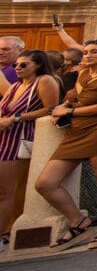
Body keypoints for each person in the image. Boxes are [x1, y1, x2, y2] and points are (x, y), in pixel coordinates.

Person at [36, 39, 97, 251]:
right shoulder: (82, 75)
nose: (88, 55)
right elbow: (74, 99)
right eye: (85, 52)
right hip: (76, 132)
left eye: (94, 52)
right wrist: (64, 107)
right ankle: (78, 221)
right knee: (45, 183)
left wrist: (70, 111)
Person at [0, 50, 60, 249]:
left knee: (6, 191)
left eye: (23, 65)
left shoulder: (44, 81)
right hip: (5, 137)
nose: (17, 68)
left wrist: (16, 118)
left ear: (37, 65)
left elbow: (51, 108)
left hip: (19, 139)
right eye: (16, 65)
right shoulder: (16, 85)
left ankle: (4, 233)